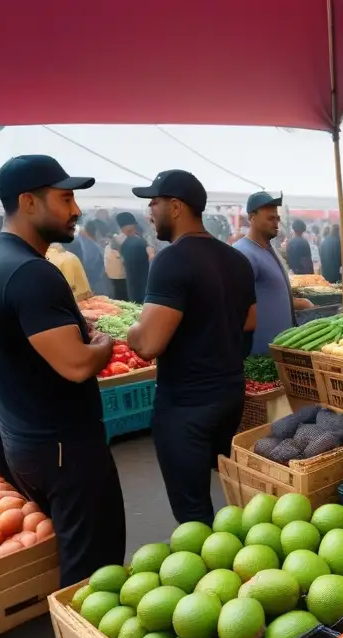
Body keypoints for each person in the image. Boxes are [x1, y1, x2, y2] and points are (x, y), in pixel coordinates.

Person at [0, 155, 125, 586]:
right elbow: (75, 365)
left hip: (23, 439)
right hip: (63, 447)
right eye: (65, 197)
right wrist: (102, 344)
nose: (75, 210)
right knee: (94, 566)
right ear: (28, 202)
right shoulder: (32, 273)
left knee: (71, 543)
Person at [127, 170, 256, 525]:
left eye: (153, 202)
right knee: (227, 492)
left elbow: (150, 343)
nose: (149, 210)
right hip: (229, 394)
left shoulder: (172, 260)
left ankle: (211, 572)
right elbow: (249, 322)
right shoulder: (236, 259)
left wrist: (130, 333)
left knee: (193, 510)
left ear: (176, 206)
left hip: (186, 406)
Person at [234, 191, 313, 355]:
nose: (276, 223)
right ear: (252, 218)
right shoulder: (243, 253)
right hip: (258, 357)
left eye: (277, 218)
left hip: (278, 352)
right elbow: (235, 308)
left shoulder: (267, 249)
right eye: (270, 218)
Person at [116, 212, 151, 304]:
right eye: (126, 230)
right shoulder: (122, 241)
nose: (128, 231)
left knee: (141, 299)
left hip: (143, 276)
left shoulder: (142, 240)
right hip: (132, 277)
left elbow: (150, 252)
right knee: (136, 300)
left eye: (131, 229)